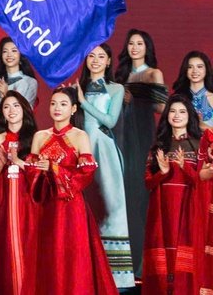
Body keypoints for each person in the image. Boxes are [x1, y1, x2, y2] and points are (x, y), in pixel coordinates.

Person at [25, 87, 117, 295]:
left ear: (74, 109)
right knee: (47, 257)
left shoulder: (79, 136)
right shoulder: (40, 136)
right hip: (46, 207)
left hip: (70, 207)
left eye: (63, 104)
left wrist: (54, 168)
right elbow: (31, 172)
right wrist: (39, 171)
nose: (57, 108)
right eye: (53, 103)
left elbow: (86, 173)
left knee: (71, 257)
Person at [72, 43, 133, 288]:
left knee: (110, 207)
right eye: (91, 56)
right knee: (82, 208)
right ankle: (84, 271)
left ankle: (115, 279)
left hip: (104, 150)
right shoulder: (78, 87)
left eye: (101, 56)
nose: (95, 60)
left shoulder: (116, 88)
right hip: (80, 150)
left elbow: (110, 120)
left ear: (108, 61)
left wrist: (82, 101)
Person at [143, 95, 211, 293]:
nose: (177, 115)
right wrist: (163, 173)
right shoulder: (158, 146)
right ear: (167, 116)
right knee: (163, 262)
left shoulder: (199, 146)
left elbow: (203, 183)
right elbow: (148, 183)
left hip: (188, 210)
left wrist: (185, 168)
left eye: (182, 111)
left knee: (186, 260)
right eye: (172, 111)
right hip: (162, 211)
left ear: (190, 116)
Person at [114, 28, 168, 277]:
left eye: (140, 43)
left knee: (141, 196)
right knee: (123, 197)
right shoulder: (121, 75)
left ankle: (146, 262)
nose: (135, 47)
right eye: (131, 43)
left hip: (143, 135)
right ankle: (125, 259)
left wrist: (135, 99)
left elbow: (161, 107)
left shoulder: (153, 73)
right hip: (121, 135)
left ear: (147, 48)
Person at [0, 91, 37, 295]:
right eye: (6, 107)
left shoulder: (35, 138)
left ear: (24, 109)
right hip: (3, 203)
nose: (11, 110)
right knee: (6, 251)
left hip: (29, 201)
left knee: (29, 249)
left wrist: (19, 162)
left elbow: (40, 173)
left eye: (16, 106)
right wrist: (2, 163)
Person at [0, 37, 40, 122]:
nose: (9, 55)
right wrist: (1, 98)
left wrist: (6, 94)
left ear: (21, 55)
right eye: (5, 51)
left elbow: (26, 111)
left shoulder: (30, 82)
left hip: (21, 128)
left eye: (14, 51)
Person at [171, 50, 213, 125]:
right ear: (185, 70)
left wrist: (204, 127)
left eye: (199, 67)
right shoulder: (177, 97)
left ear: (207, 69)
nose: (195, 71)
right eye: (190, 67)